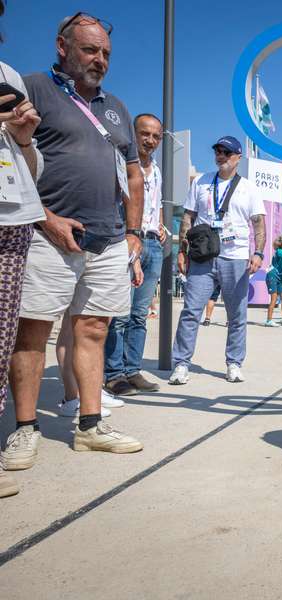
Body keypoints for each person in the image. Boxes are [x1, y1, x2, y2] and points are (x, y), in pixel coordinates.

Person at [3, 14, 145, 471]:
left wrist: (133, 232)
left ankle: (89, 425)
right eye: (89, 50)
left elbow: (132, 174)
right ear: (62, 47)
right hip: (49, 235)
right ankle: (25, 428)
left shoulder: (117, 108)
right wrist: (45, 218)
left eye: (105, 53)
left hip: (106, 240)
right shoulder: (31, 88)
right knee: (33, 333)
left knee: (93, 331)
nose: (99, 60)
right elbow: (11, 157)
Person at [169, 136, 266, 385]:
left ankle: (234, 363)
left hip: (235, 258)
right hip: (203, 257)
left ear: (237, 158)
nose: (220, 156)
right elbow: (188, 217)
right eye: (218, 151)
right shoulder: (201, 182)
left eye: (226, 152)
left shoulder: (249, 188)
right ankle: (181, 364)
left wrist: (258, 253)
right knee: (191, 311)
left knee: (237, 315)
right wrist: (182, 250)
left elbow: (258, 223)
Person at [0, 0, 46, 496]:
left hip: (13, 216)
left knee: (1, 338)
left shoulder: (9, 73)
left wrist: (24, 137)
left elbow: (31, 167)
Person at [103, 113, 166, 396]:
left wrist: (161, 225)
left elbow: (156, 203)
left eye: (155, 136)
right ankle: (114, 374)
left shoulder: (158, 170)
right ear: (134, 133)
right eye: (145, 134)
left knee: (140, 314)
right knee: (120, 314)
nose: (150, 140)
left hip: (153, 244)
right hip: (130, 243)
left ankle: (132, 369)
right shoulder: (121, 165)